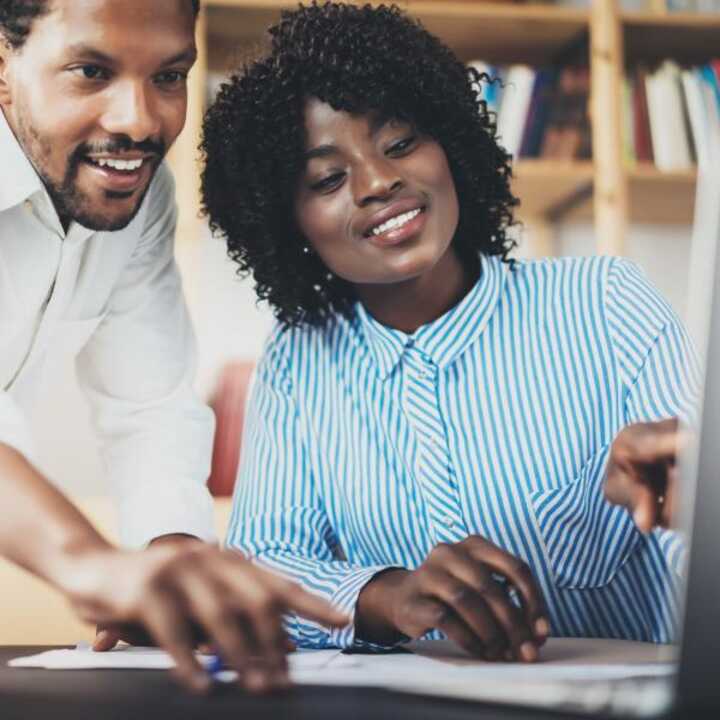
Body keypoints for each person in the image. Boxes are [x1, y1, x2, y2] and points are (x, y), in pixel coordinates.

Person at [201, 2, 699, 661]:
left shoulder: (605, 305)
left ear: (451, 143)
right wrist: (381, 596)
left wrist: (692, 497)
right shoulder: (297, 364)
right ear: (286, 224)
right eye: (327, 178)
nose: (379, 182)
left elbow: (696, 542)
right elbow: (263, 562)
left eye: (401, 142)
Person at [0, 0, 346, 693]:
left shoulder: (138, 194)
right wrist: (92, 565)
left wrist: (178, 555)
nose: (140, 121)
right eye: (91, 70)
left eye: (169, 75)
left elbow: (149, 402)